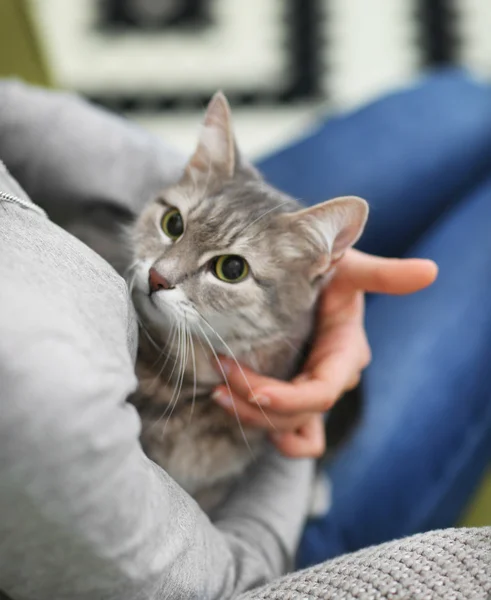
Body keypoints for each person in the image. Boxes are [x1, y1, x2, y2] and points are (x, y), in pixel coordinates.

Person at [0, 69, 487, 599]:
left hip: (245, 254)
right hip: (259, 540)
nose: (163, 272)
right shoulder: (41, 406)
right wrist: (300, 417)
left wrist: (236, 209)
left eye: (225, 267)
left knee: (463, 104)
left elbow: (20, 116)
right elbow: (227, 583)